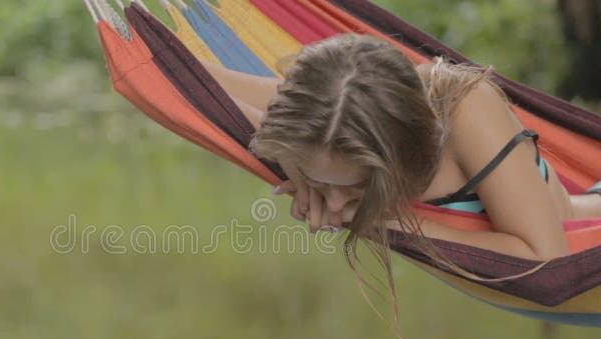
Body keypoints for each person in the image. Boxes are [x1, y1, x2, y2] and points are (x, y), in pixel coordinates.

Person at [200, 34, 601, 279]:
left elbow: (547, 261)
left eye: (356, 184)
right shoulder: (325, 110)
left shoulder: (467, 112)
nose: (334, 203)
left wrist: (384, 223)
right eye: (317, 181)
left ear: (404, 151)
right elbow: (191, 81)